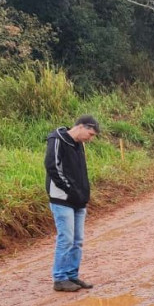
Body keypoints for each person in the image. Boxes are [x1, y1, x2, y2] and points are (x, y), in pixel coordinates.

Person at [44, 115, 99, 292]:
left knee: (77, 240)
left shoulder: (79, 144)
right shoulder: (57, 139)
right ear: (81, 127)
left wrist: (83, 194)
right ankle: (59, 278)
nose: (90, 139)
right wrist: (71, 191)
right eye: (90, 134)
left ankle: (71, 275)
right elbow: (53, 167)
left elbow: (82, 172)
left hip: (78, 200)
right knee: (66, 239)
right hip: (62, 199)